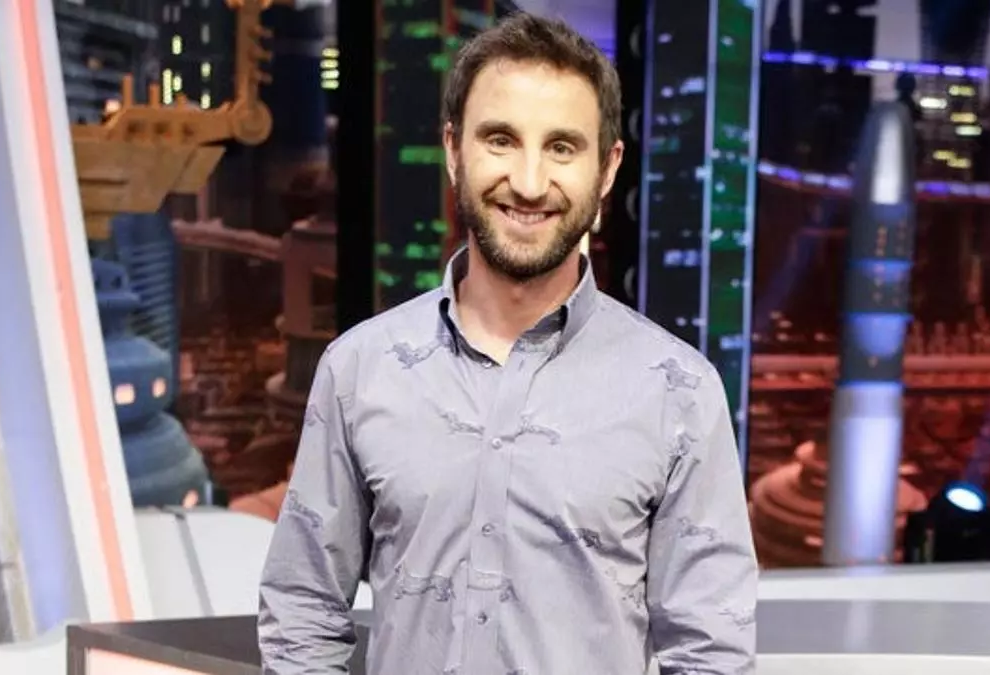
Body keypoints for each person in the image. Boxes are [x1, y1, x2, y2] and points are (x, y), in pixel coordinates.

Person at [258, 12, 758, 675]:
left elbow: (711, 655)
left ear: (608, 168)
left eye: (562, 147)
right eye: (501, 139)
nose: (527, 181)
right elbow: (302, 611)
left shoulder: (679, 391)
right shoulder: (359, 368)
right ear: (453, 149)